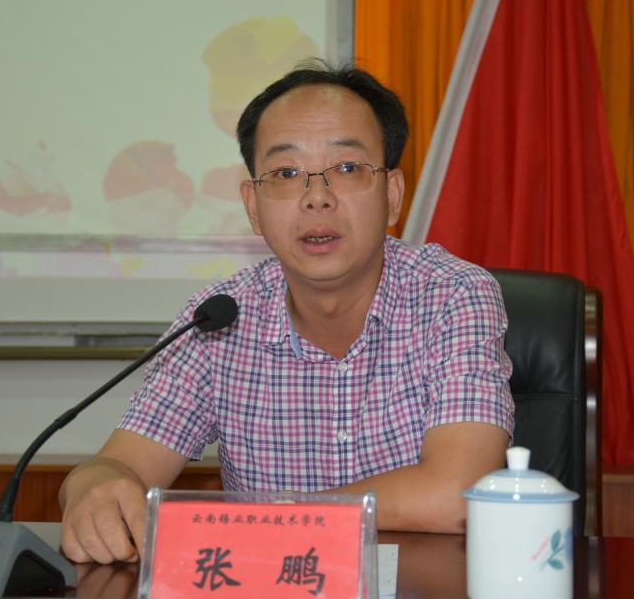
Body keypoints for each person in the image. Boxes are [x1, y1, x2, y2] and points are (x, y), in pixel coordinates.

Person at [59, 62, 514, 564]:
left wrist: (276, 517)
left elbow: (457, 493)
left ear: (392, 196)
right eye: (286, 174)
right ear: (253, 206)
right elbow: (118, 466)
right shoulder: (220, 319)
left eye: (347, 168)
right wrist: (92, 487)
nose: (317, 198)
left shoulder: (453, 296)